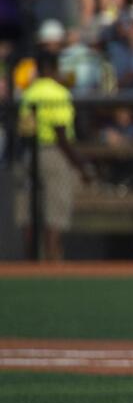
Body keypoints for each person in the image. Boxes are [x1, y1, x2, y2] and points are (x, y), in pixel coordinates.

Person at [15, 51, 88, 260]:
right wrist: (81, 164)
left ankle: (31, 264)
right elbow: (61, 133)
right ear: (52, 68)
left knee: (29, 215)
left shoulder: (29, 93)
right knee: (54, 215)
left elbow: (24, 129)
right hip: (53, 153)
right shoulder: (58, 93)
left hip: (29, 153)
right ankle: (52, 263)